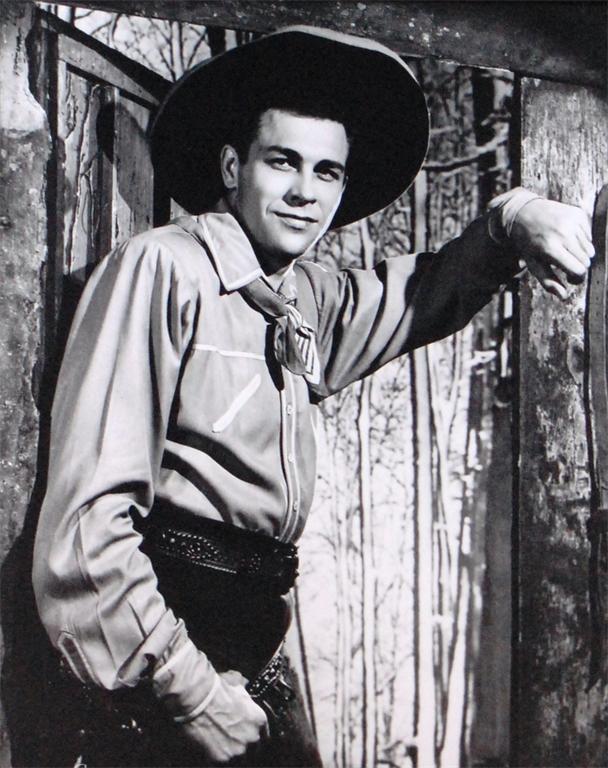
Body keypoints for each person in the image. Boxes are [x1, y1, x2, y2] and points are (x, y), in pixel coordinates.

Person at [32, 25, 593, 768]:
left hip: (259, 640)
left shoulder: (305, 300)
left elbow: (425, 293)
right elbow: (86, 525)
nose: (306, 191)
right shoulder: (162, 269)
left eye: (328, 173)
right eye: (284, 162)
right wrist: (187, 688)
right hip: (165, 643)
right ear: (233, 167)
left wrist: (512, 219)